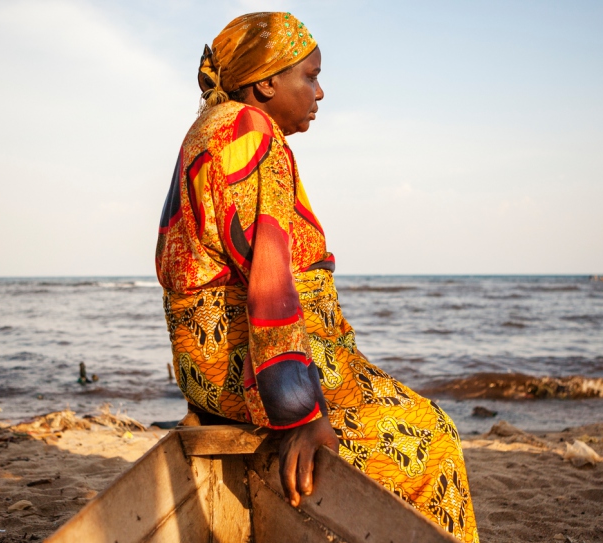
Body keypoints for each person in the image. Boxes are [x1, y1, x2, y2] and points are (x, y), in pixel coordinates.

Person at [155, 12, 479, 542]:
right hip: (257, 374)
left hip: (209, 373)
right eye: (310, 76)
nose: (320, 92)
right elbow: (269, 283)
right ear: (267, 81)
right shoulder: (251, 134)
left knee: (410, 410)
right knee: (435, 439)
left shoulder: (207, 131)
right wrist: (299, 413)